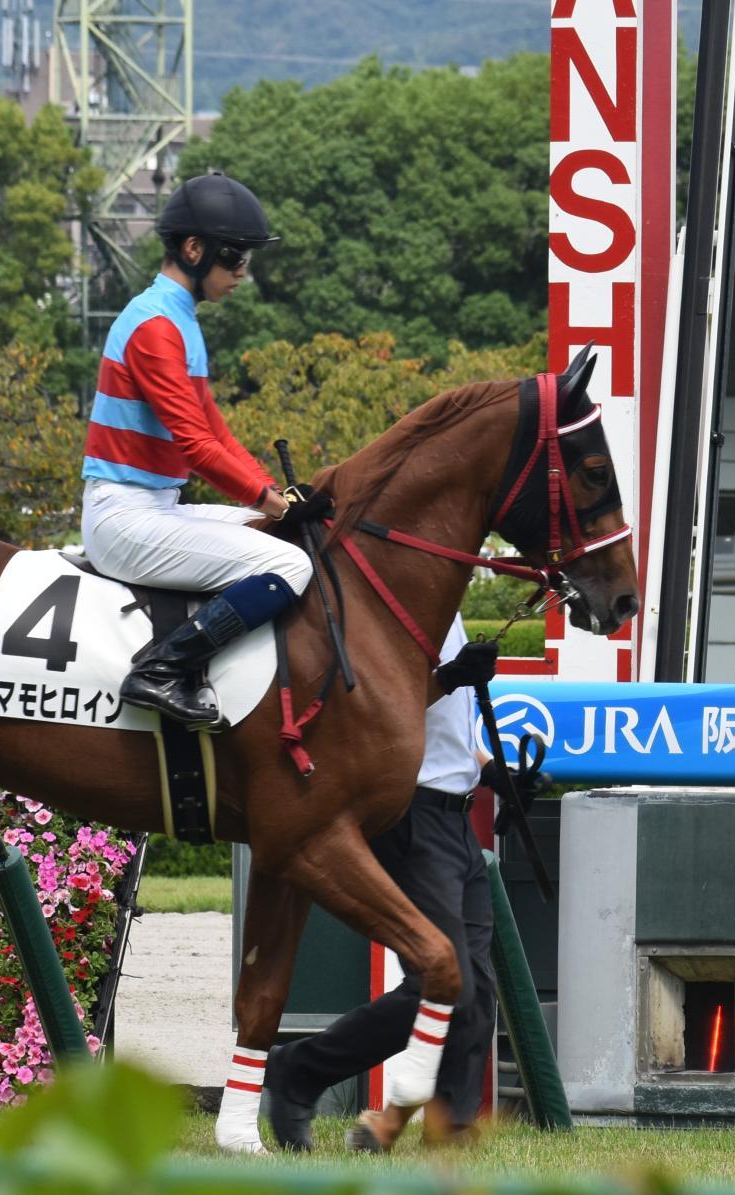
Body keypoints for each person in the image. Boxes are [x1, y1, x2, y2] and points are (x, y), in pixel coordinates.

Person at [80, 170, 326, 728]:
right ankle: (160, 670)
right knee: (289, 564)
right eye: (235, 256)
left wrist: (277, 498)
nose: (243, 271)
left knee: (281, 536)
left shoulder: (179, 320)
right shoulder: (155, 326)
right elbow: (194, 446)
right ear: (194, 249)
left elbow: (218, 434)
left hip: (156, 508)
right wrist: (272, 502)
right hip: (123, 519)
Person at [264, 613, 509, 1152]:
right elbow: (370, 708)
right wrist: (450, 678)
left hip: (455, 816)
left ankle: (450, 1131)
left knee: (475, 986)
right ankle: (301, 1069)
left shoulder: (449, 610)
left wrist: (490, 770)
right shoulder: (390, 607)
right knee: (443, 982)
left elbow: (443, 728)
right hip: (411, 814)